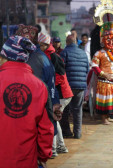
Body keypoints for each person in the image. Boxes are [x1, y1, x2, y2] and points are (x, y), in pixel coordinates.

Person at [0, 36, 54, 168]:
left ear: (4, 56)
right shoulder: (40, 86)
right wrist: (43, 155)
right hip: (26, 159)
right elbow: (46, 128)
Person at [38, 33, 73, 157]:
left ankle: (54, 149)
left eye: (41, 45)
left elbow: (61, 75)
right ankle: (60, 146)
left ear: (46, 45)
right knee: (55, 119)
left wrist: (50, 85)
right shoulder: (48, 55)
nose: (39, 47)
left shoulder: (53, 56)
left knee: (53, 118)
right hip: (59, 92)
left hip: (62, 93)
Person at [90, 22, 113, 125]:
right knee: (104, 101)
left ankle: (108, 117)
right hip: (104, 82)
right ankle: (104, 119)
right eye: (108, 39)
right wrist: (105, 75)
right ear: (102, 41)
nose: (111, 42)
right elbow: (94, 66)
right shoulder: (99, 53)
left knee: (111, 101)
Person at [60, 33, 89, 138]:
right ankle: (78, 133)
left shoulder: (64, 52)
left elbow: (61, 69)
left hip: (68, 86)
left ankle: (66, 132)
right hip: (80, 86)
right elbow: (87, 69)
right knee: (78, 110)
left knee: (65, 110)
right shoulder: (83, 53)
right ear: (76, 42)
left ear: (67, 42)